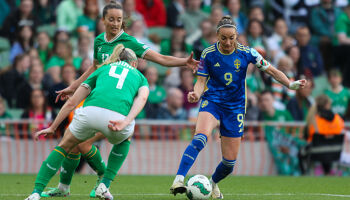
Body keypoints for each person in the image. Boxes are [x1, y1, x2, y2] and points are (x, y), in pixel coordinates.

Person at [45, 0, 199, 197]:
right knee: (77, 145)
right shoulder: (99, 41)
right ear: (103, 20)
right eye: (111, 19)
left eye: (119, 19)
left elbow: (160, 58)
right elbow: (94, 69)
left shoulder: (129, 42)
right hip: (96, 97)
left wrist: (184, 62)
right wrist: (73, 87)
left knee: (81, 142)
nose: (115, 23)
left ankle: (98, 181)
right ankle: (71, 187)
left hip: (118, 104)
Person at [169, 16, 306, 199]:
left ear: (237, 36)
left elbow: (271, 70)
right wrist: (196, 93)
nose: (227, 42)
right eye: (223, 38)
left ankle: (212, 184)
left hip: (235, 108)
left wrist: (289, 84)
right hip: (213, 102)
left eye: (231, 38)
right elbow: (200, 81)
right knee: (200, 138)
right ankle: (178, 180)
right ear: (217, 35)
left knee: (229, 163)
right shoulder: (208, 54)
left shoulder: (248, 53)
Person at [24, 44, 149, 200]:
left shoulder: (103, 68)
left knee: (66, 145)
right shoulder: (140, 76)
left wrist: (52, 127)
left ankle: (36, 192)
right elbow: (142, 98)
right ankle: (104, 184)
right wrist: (126, 122)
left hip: (90, 112)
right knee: (122, 139)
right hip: (117, 118)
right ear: (135, 64)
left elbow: (71, 102)